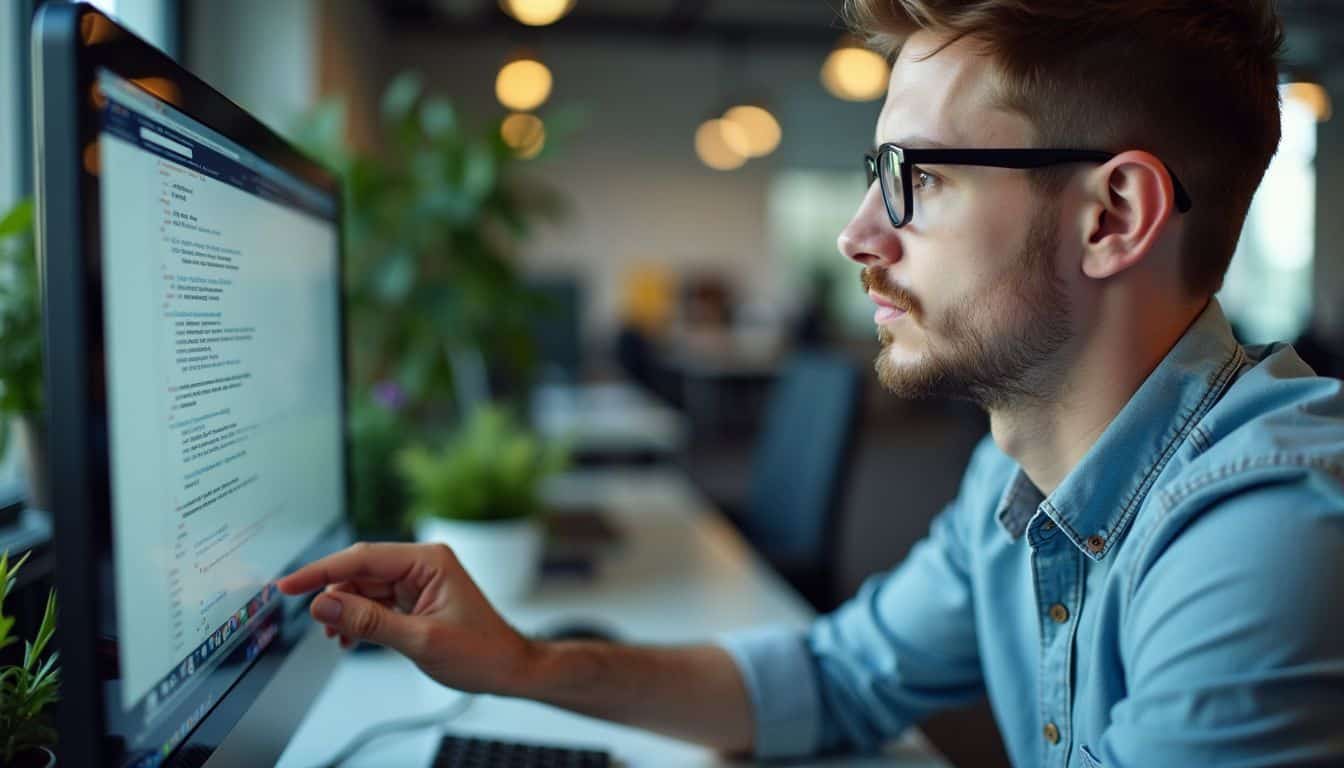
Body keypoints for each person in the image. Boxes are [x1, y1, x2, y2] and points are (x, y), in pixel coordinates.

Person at [278, 0, 1344, 764]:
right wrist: (519, 666)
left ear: (1110, 218)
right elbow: (838, 679)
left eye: (912, 178)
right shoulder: (1016, 482)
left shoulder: (1273, 533)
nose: (856, 235)